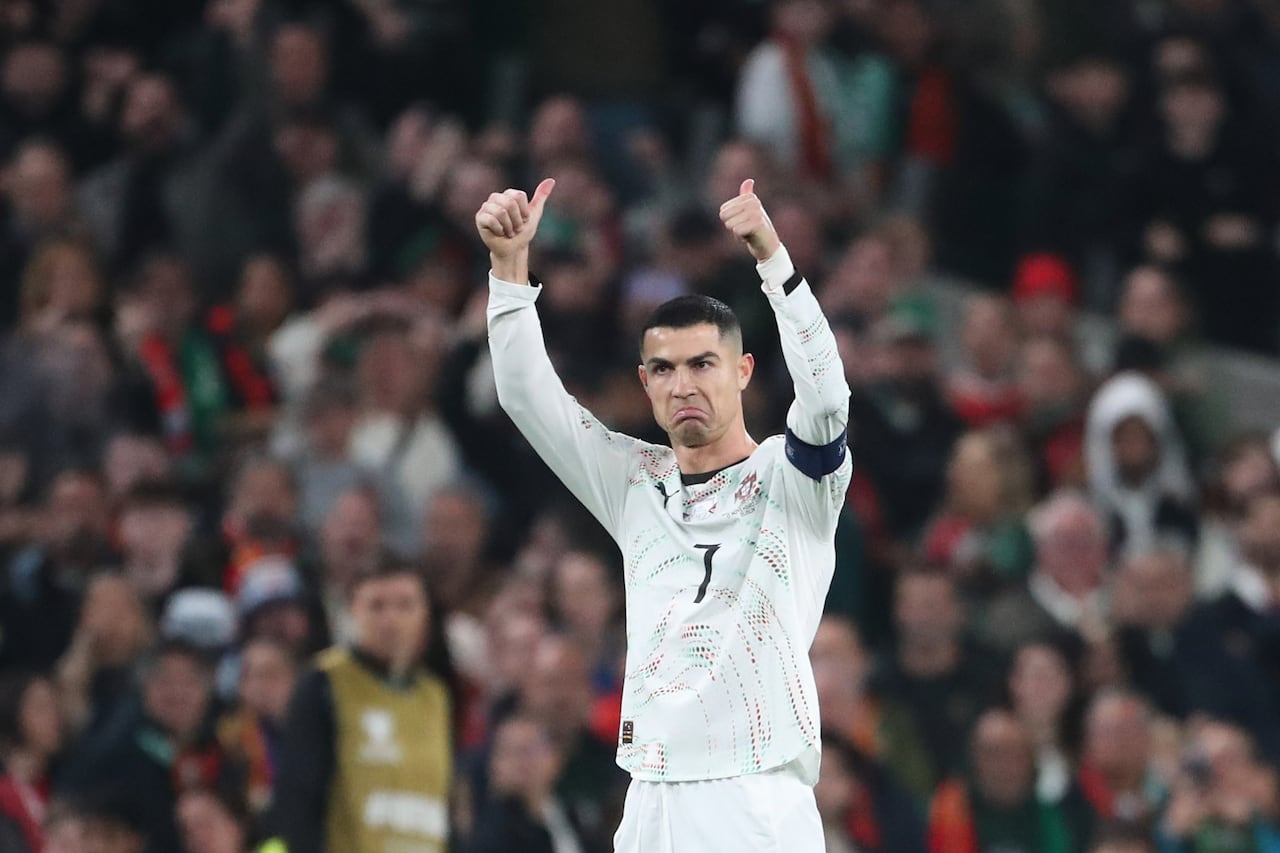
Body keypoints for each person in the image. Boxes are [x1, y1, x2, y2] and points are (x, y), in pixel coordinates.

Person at [477, 176, 851, 851]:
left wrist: (773, 260)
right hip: (650, 794)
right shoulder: (634, 482)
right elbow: (530, 399)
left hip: (756, 792)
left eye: (704, 363)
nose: (684, 384)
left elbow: (825, 400)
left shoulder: (791, 479)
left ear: (742, 371)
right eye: (665, 368)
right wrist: (509, 270)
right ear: (645, 382)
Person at [269, 560, 451, 853]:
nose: (391, 621)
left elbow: (444, 809)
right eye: (377, 606)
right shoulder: (324, 683)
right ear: (353, 611)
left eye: (405, 606)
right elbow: (298, 800)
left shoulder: (436, 697)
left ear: (425, 614)